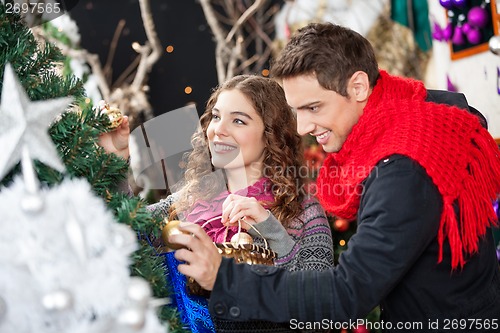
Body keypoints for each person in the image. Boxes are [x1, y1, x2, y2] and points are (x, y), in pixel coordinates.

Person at [169, 23, 500, 332]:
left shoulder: (401, 168)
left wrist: (224, 278)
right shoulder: (413, 109)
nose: (302, 128)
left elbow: (346, 293)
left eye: (313, 108)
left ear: (357, 86)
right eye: (295, 110)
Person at [100, 74, 334, 332]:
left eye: (238, 120)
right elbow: (126, 232)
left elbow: (320, 310)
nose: (219, 130)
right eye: (216, 116)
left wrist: (271, 230)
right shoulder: (188, 201)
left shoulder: (305, 212)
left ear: (271, 135)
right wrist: (115, 163)